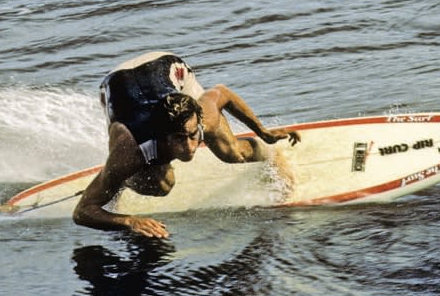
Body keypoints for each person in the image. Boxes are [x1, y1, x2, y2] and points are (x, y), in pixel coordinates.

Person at [72, 52, 300, 238]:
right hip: (116, 86)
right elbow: (82, 212)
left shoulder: (201, 119)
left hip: (166, 66)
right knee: (161, 185)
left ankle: (271, 154)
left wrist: (264, 132)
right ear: (162, 136)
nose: (190, 147)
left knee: (231, 152)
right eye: (178, 139)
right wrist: (128, 221)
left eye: (192, 136)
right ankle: (118, 182)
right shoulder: (130, 149)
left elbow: (222, 93)